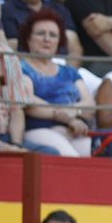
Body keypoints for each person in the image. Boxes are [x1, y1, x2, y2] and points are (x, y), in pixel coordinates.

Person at [18, 9, 96, 158]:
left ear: (59, 41)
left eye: (53, 35)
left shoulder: (69, 72)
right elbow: (29, 102)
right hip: (38, 129)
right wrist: (65, 116)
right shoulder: (21, 68)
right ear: (28, 38)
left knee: (93, 160)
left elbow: (89, 104)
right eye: (41, 33)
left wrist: (73, 112)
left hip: (74, 130)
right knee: (70, 158)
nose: (47, 39)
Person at [1, 0, 77, 59]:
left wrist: (68, 70)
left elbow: (74, 49)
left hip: (62, 65)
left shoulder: (60, 10)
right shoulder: (6, 11)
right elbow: (13, 49)